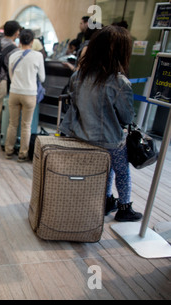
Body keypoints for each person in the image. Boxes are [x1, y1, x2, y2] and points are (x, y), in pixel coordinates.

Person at [59, 25, 142, 222]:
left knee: (109, 165)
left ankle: (106, 200)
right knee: (121, 168)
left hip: (79, 136)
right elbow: (127, 117)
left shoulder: (77, 77)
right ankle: (124, 207)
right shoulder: (119, 82)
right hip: (107, 141)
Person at [6, 29, 45, 162]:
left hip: (14, 92)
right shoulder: (38, 56)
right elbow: (43, 78)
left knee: (12, 124)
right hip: (30, 94)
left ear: (20, 40)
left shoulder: (13, 55)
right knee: (26, 125)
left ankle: (9, 151)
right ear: (33, 41)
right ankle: (23, 154)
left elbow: (11, 76)